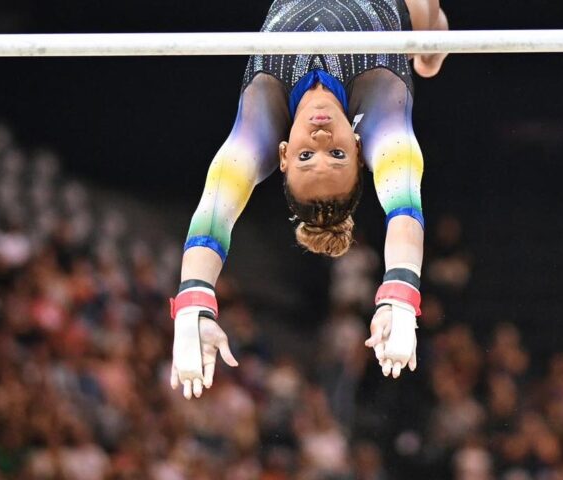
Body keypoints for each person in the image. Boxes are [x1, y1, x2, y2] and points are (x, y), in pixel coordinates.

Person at [170, 0, 449, 399]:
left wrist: (192, 304)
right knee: (426, 17)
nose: (320, 140)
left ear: (283, 155)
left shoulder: (262, 118)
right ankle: (432, 44)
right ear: (358, 147)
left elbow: (215, 209)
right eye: (337, 155)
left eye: (304, 157)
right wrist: (401, 294)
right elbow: (404, 205)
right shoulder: (380, 102)